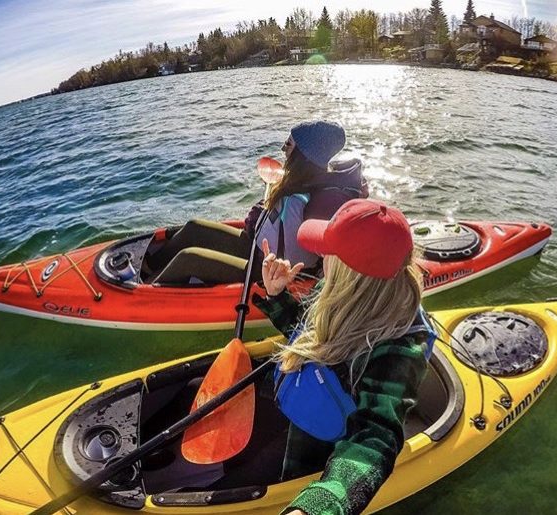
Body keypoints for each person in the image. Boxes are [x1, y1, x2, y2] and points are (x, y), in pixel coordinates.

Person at [252, 198, 431, 515]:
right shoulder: (342, 294)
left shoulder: (400, 349)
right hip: (294, 405)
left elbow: (374, 440)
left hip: (317, 451)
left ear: (351, 274)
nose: (320, 255)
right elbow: (307, 335)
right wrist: (278, 295)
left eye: (327, 251)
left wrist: (320, 505)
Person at [146, 121, 367, 285]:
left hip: (272, 273)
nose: (283, 148)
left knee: (190, 258)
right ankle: (148, 269)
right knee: (195, 228)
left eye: (288, 144)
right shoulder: (303, 180)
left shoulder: (325, 201)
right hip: (257, 247)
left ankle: (145, 294)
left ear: (303, 154)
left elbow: (334, 255)